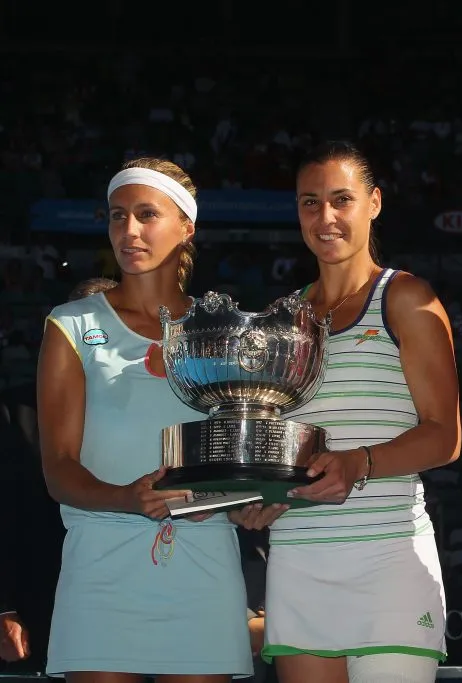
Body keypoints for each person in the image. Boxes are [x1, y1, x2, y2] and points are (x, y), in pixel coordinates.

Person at [38, 157, 285, 682]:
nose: (129, 231)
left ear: (187, 227)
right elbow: (59, 468)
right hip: (100, 564)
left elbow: (242, 457)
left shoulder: (228, 331)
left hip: (204, 565)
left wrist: (251, 501)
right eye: (117, 215)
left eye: (147, 214)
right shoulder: (73, 324)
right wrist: (126, 498)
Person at [261, 140, 461, 683]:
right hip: (299, 557)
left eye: (341, 199)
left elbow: (445, 437)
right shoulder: (284, 319)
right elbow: (278, 449)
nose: (325, 217)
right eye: (309, 202)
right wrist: (258, 498)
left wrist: (358, 462)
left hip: (388, 560)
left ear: (374, 203)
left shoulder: (405, 298)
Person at [0, 277, 118, 672]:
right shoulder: (13, 413)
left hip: (135, 595)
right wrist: (4, 606)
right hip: (40, 604)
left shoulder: (157, 407)